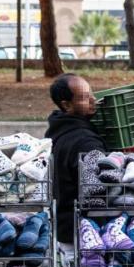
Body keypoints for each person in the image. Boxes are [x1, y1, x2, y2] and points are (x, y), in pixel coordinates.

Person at [44, 73, 105, 249]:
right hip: (85, 234)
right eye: (85, 98)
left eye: (91, 94)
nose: (93, 100)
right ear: (66, 105)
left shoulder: (56, 132)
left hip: (62, 230)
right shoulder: (86, 142)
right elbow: (97, 190)